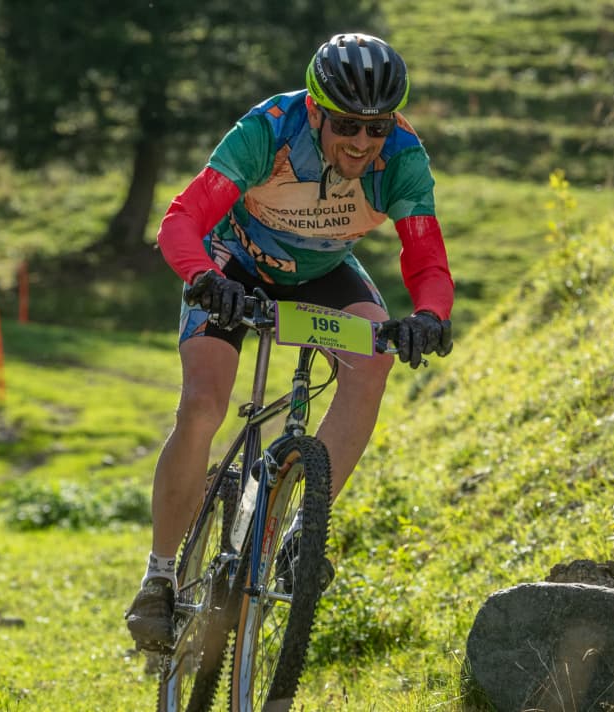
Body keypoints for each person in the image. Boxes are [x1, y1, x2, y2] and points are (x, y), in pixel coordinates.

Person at [125, 32, 454, 649]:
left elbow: (426, 257)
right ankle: (160, 576)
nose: (361, 143)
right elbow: (183, 219)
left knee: (372, 361)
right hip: (233, 266)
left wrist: (431, 315)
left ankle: (303, 528)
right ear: (315, 110)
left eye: (375, 128)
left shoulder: (404, 155)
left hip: (321, 272)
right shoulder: (269, 130)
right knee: (203, 406)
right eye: (346, 126)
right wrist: (203, 279)